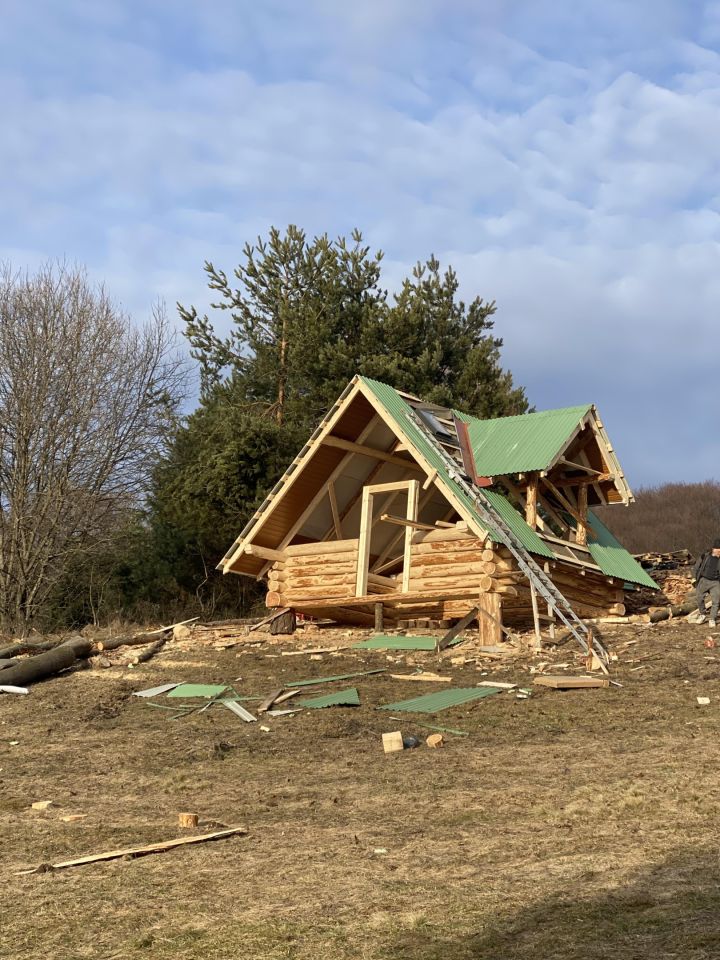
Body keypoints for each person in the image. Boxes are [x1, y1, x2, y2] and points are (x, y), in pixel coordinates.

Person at [693, 540, 720, 627]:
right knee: (699, 597)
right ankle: (703, 614)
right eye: (718, 550)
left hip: (716, 582)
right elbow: (696, 567)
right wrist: (694, 578)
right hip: (704, 580)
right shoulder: (705, 556)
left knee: (716, 601)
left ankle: (712, 619)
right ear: (713, 549)